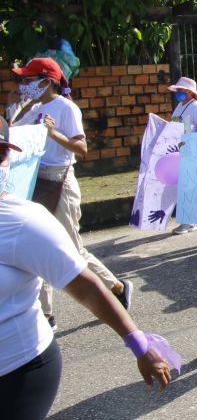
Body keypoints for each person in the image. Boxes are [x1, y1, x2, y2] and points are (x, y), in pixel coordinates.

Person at [0, 117, 175, 420]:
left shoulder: (21, 222)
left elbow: (86, 285)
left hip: (16, 370)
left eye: (1, 154)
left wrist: (140, 345)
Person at [11, 58, 131, 330]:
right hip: (35, 184)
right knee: (36, 246)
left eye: (28, 80)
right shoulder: (32, 109)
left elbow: (81, 148)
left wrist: (53, 134)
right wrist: (15, 107)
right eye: (23, 80)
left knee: (73, 250)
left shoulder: (66, 108)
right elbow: (12, 139)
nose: (24, 85)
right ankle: (46, 315)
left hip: (60, 183)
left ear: (46, 81)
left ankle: (116, 287)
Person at [168, 76, 197, 235]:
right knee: (184, 186)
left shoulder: (196, 108)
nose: (178, 92)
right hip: (180, 152)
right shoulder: (179, 106)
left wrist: (194, 143)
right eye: (177, 90)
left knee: (187, 187)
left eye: (181, 90)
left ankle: (188, 222)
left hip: (192, 152)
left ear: (190, 92)